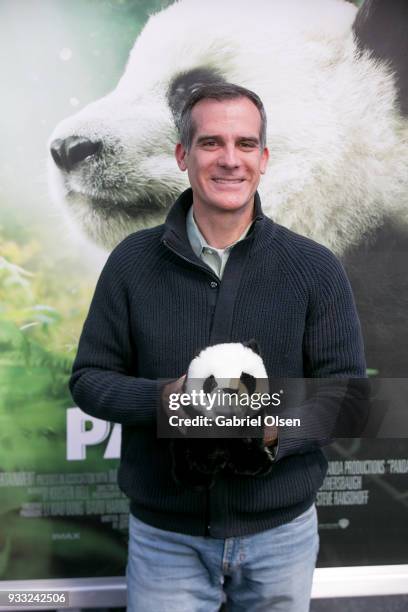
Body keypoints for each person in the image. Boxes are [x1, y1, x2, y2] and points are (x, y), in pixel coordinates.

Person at [69, 83, 367, 611]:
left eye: (246, 144)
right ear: (183, 154)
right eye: (211, 143)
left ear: (264, 158)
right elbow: (90, 380)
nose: (230, 160)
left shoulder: (314, 268)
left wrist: (270, 425)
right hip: (167, 542)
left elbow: (348, 399)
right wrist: (170, 402)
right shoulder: (131, 263)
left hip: (280, 538)